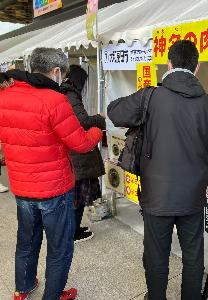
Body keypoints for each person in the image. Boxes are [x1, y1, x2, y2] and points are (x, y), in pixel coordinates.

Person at [108, 40, 208, 300]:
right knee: (193, 256)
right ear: (197, 67)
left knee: (156, 254)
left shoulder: (150, 96)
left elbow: (114, 112)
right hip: (193, 194)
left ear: (168, 64)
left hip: (156, 194)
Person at [0, 48, 103, 300]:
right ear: (56, 72)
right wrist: (98, 130)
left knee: (26, 241)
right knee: (59, 248)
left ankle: (22, 289)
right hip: (54, 190)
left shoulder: (5, 97)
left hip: (22, 188)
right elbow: (80, 143)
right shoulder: (54, 100)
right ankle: (54, 295)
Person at [61, 65, 106, 243]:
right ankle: (73, 233)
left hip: (70, 151)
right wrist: (100, 117)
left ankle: (72, 230)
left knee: (74, 196)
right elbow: (83, 121)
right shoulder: (71, 95)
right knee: (77, 197)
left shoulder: (63, 92)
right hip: (77, 152)